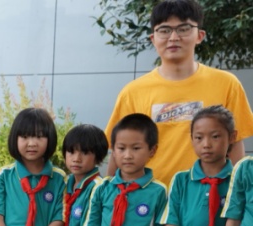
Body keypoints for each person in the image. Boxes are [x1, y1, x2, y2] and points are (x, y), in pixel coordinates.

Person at [104, 0, 253, 187]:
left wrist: (237, 195)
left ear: (199, 35)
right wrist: (107, 197)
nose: (173, 37)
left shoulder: (227, 84)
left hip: (210, 200)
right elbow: (117, 150)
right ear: (153, 39)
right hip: (148, 202)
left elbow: (236, 145)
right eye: (164, 30)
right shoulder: (132, 92)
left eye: (183, 29)